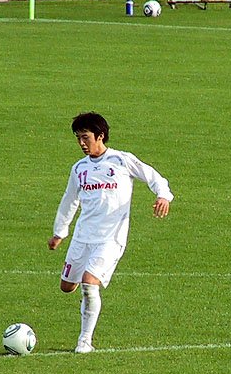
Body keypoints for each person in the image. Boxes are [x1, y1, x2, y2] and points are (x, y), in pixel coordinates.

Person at [48, 112, 173, 353]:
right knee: (67, 286)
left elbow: (153, 176)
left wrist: (163, 196)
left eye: (85, 137)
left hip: (110, 239)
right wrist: (59, 233)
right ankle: (82, 291)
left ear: (100, 135)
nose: (81, 143)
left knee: (89, 283)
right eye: (78, 138)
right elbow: (69, 200)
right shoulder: (79, 169)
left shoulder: (121, 160)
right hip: (83, 237)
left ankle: (85, 341)